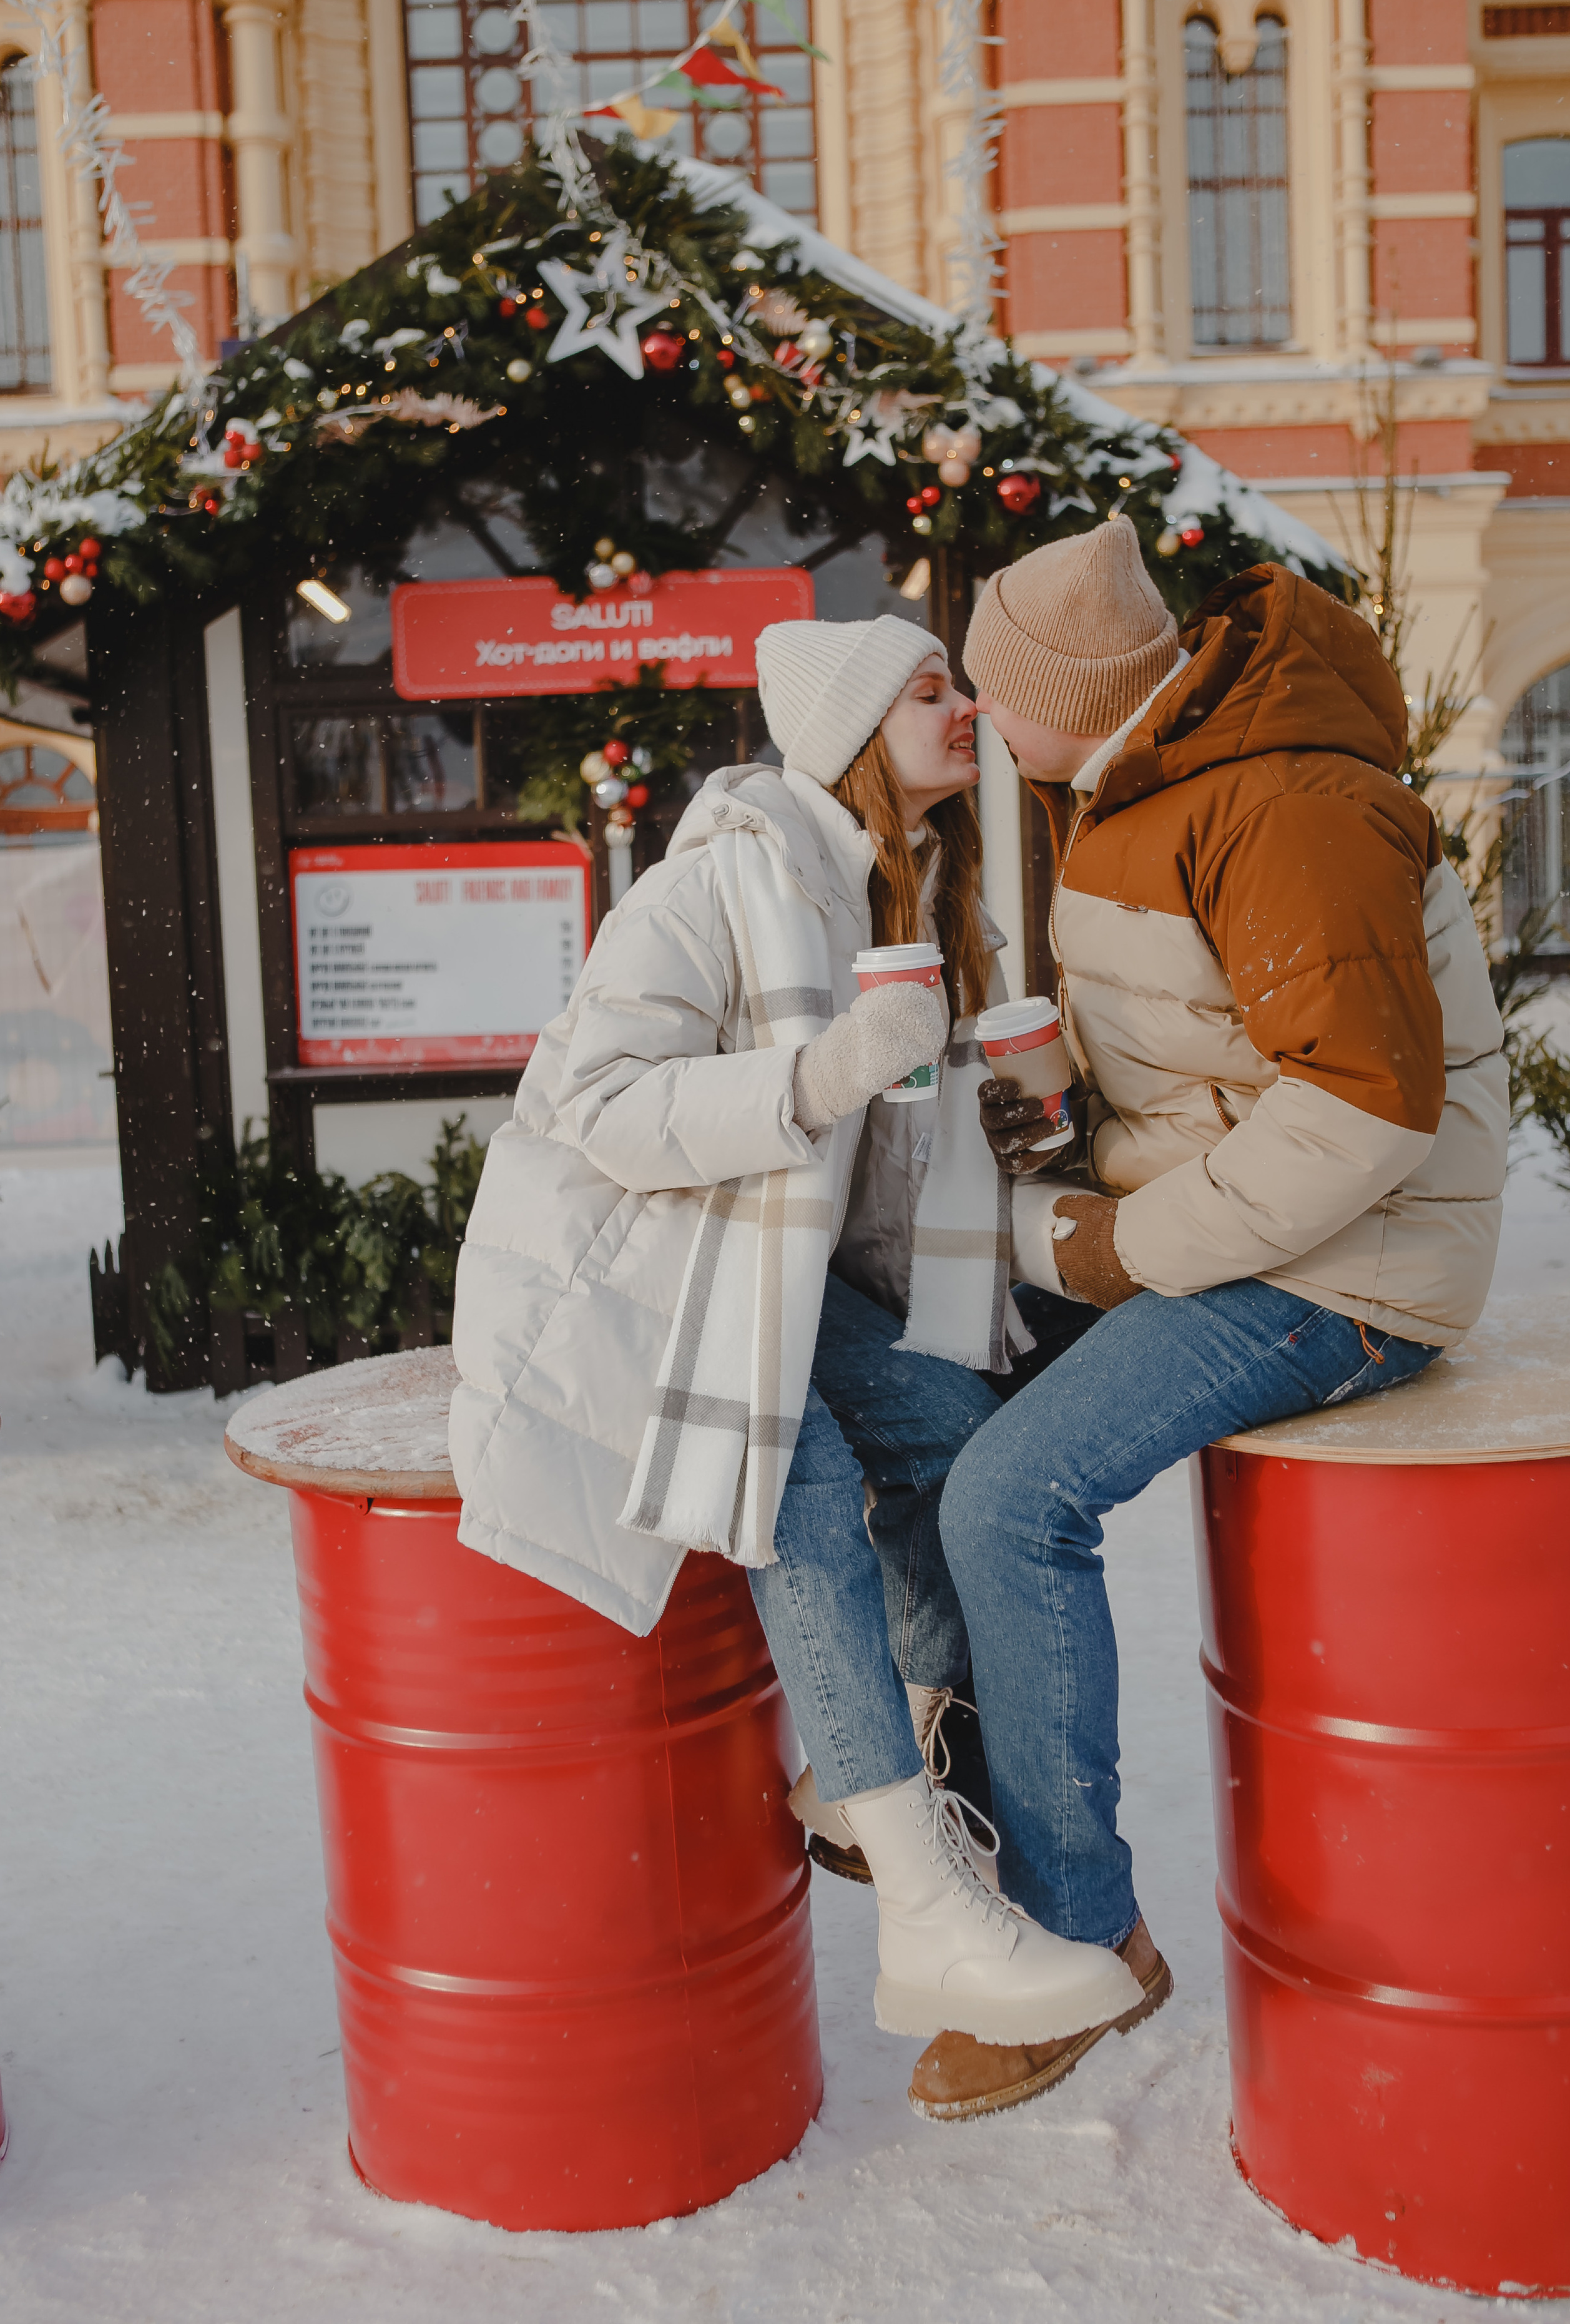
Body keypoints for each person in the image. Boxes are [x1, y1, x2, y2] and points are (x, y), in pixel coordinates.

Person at [451, 612, 1144, 2056]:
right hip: (628, 1264)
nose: (965, 710)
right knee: (805, 1486)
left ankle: (857, 1769)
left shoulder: (924, 899)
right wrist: (825, 1069)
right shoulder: (717, 882)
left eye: (961, 688)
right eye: (931, 690)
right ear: (847, 732)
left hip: (766, 1272)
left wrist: (1011, 1137)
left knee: (958, 1437)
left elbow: (873, 1197)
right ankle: (925, 1921)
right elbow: (597, 1108)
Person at [895, 517, 1509, 2122]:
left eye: (983, 689)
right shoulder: (1150, 779)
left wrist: (1113, 1247)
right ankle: (921, 1794)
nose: (968, 715)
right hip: (1261, 1229)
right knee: (932, 1383)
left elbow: (1363, 1112)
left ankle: (1076, 1943)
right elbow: (1226, 1057)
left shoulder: (1284, 804)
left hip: (1351, 1273)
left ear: (1059, 694)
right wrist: (1071, 1136)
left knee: (1013, 1496)